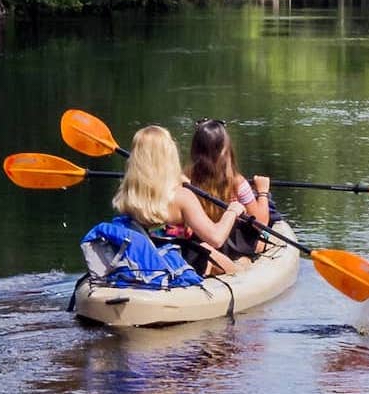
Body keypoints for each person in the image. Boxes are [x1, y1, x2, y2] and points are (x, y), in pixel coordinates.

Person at [112, 125, 250, 277]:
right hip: (180, 262)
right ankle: (241, 266)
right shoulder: (182, 197)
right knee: (234, 261)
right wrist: (232, 210)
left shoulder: (129, 194)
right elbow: (216, 238)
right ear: (168, 156)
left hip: (148, 258)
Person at [188, 117, 271, 258]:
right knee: (266, 239)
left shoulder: (186, 177)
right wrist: (263, 192)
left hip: (198, 239)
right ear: (225, 150)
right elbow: (260, 223)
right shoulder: (237, 182)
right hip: (228, 244)